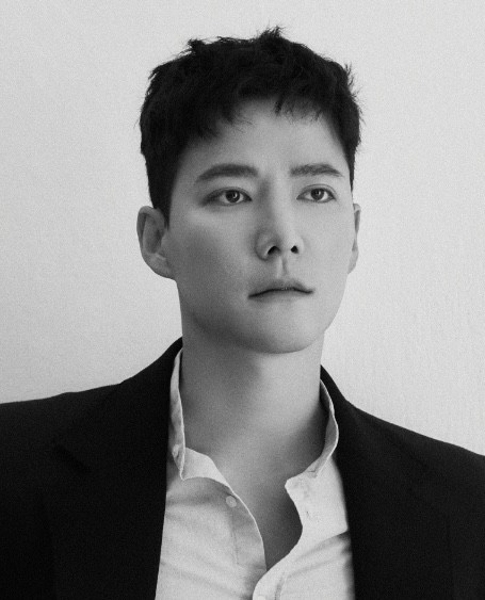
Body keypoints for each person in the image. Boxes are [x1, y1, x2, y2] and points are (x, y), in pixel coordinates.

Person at [1, 27, 484, 600]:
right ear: (157, 240)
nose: (282, 236)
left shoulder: (468, 510)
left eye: (316, 193)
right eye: (232, 194)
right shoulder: (14, 474)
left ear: (354, 234)